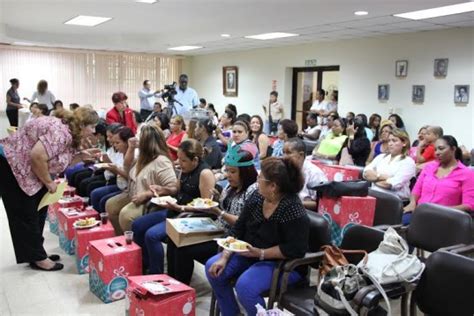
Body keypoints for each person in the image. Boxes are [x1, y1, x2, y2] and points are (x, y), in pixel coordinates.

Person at [206, 156, 309, 316]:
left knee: (245, 287)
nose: (257, 178)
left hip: (282, 264)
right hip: (252, 254)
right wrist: (225, 256)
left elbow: (294, 249)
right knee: (213, 267)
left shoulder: (293, 209)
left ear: (273, 186)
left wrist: (261, 253)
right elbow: (238, 228)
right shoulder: (257, 197)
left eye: (261, 177)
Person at [0, 107, 100, 271]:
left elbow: (57, 159)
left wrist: (82, 155)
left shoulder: (67, 129)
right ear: (82, 125)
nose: (93, 131)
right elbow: (37, 156)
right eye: (92, 127)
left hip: (26, 168)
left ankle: (36, 253)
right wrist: (48, 182)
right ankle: (38, 258)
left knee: (38, 208)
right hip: (12, 166)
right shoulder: (61, 133)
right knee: (26, 213)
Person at [167, 148, 258, 284]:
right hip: (217, 228)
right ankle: (171, 282)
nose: (228, 175)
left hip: (232, 238)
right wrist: (216, 199)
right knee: (174, 239)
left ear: (245, 172)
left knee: (183, 250)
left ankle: (181, 289)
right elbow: (224, 208)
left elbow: (243, 223)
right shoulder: (230, 186)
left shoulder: (252, 191)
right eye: (227, 170)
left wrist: (218, 212)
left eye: (233, 172)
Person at [131, 139, 215, 274]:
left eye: (183, 161)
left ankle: (156, 274)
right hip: (175, 209)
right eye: (179, 159)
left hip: (189, 217)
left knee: (151, 236)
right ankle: (144, 264)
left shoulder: (205, 174)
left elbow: (207, 207)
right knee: (138, 225)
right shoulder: (185, 169)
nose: (179, 163)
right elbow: (176, 189)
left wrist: (181, 208)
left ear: (195, 160)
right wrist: (162, 189)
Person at [106, 125, 177, 235]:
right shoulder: (144, 157)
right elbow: (127, 166)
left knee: (126, 215)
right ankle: (121, 237)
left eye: (140, 138)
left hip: (151, 201)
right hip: (135, 192)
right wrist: (131, 147)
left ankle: (135, 244)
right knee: (111, 205)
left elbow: (173, 188)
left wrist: (148, 194)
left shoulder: (162, 161)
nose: (136, 140)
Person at [403, 136, 474, 225]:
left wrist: (440, 211)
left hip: (445, 218)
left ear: (453, 149)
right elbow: (416, 190)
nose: (437, 153)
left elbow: (469, 205)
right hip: (419, 213)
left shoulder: (467, 173)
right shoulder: (429, 167)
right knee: (394, 227)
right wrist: (412, 203)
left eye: (441, 149)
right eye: (435, 150)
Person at [90, 127, 134, 213]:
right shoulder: (122, 152)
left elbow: (132, 178)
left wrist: (116, 169)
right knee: (95, 192)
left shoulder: (134, 155)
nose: (114, 145)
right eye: (114, 143)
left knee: (104, 200)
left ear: (127, 142)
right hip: (121, 184)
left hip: (129, 188)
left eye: (117, 143)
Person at [363, 129, 416, 200]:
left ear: (404, 143)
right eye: (389, 141)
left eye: (394, 141)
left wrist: (373, 179)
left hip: (393, 200)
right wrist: (383, 177)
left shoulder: (408, 162)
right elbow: (365, 173)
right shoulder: (381, 157)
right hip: (373, 195)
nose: (390, 144)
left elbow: (392, 184)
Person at [283, 138, 327, 211]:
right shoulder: (285, 169)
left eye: (288, 153)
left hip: (307, 214)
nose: (284, 156)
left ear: (301, 154)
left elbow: (319, 204)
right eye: (283, 152)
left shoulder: (315, 173)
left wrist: (292, 203)